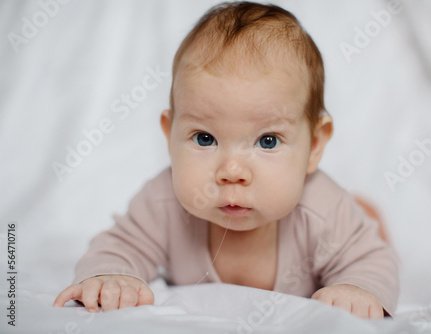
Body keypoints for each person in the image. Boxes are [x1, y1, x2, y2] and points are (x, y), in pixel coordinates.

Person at [53, 1, 399, 318]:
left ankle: (367, 215)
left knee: (366, 230)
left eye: (267, 141)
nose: (232, 171)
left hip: (344, 215)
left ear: (315, 146)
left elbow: (371, 260)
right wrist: (111, 275)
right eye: (205, 138)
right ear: (170, 135)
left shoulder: (324, 210)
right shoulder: (163, 204)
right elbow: (117, 246)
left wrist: (358, 288)